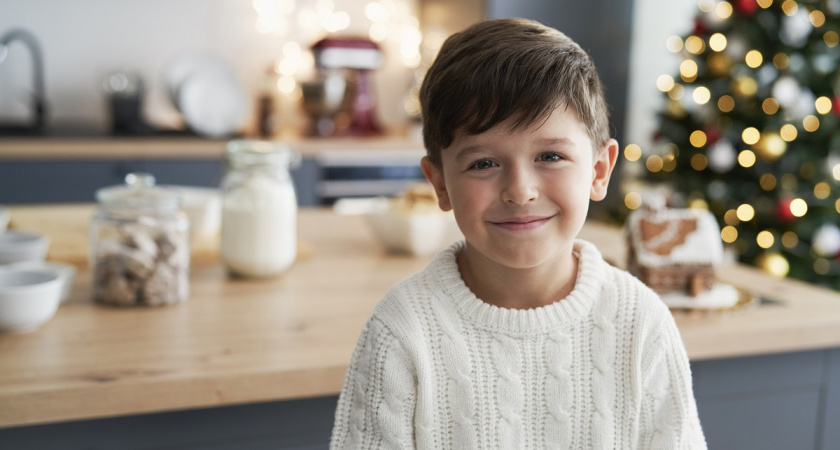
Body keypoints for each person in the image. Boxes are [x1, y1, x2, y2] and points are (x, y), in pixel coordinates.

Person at [330, 18, 706, 449]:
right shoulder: (401, 331)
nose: (520, 192)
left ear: (599, 171)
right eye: (483, 164)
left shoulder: (641, 322)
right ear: (439, 184)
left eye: (550, 155)